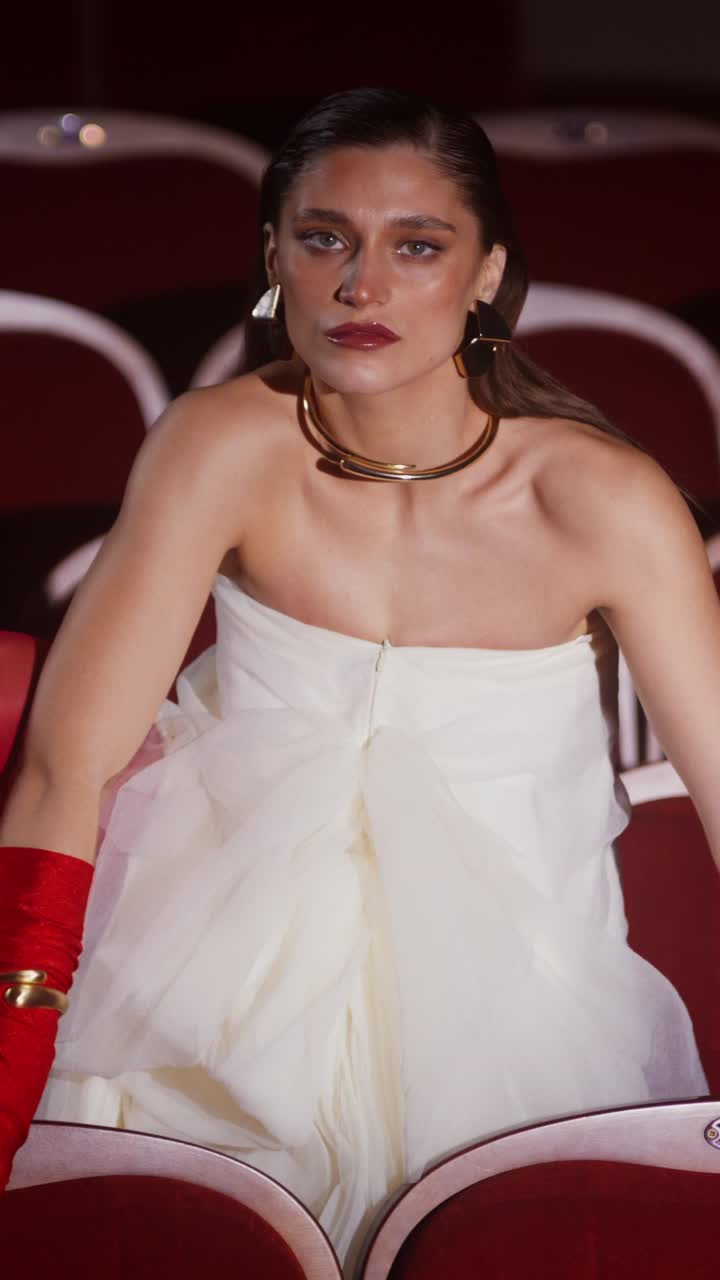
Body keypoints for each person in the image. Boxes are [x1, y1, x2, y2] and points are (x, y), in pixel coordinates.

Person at [0, 88, 715, 1263]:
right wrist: (15, 1047)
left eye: (416, 246)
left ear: (486, 270)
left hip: (515, 1010)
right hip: (197, 995)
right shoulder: (219, 444)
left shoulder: (595, 497)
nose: (361, 287)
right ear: (274, 254)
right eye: (324, 238)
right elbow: (65, 769)